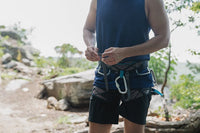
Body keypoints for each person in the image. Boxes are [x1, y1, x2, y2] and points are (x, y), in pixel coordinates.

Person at [83, 0, 170, 132]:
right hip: (104, 77)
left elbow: (163, 38)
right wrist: (90, 45)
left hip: (137, 78)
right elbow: (88, 29)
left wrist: (125, 53)